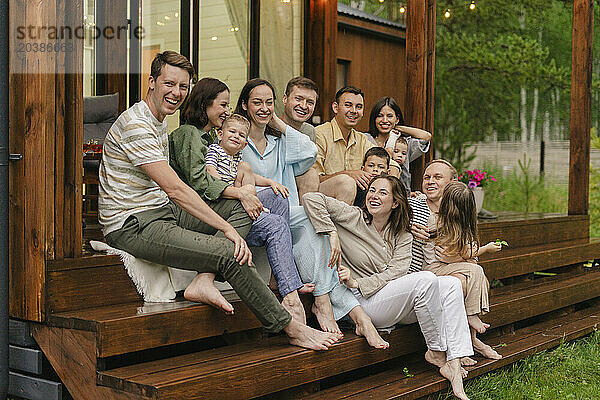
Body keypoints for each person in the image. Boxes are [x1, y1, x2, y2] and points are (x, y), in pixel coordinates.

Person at [99, 52, 340, 351]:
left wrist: (240, 200)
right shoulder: (136, 124)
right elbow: (176, 189)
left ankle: (204, 278)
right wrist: (225, 228)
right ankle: (291, 327)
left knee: (251, 206)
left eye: (183, 86)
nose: (176, 93)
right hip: (131, 223)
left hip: (163, 211)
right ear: (151, 82)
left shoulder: (159, 120)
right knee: (230, 252)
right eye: (169, 84)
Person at [237, 78, 389, 349]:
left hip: (286, 210)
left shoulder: (278, 140)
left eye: (268, 103)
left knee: (313, 223)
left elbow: (308, 151)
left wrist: (277, 123)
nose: (263, 109)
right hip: (253, 212)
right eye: (257, 103)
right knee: (313, 224)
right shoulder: (236, 138)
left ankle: (325, 301)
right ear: (245, 105)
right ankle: (344, 309)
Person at [302, 175, 473, 400]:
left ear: (395, 203)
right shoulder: (353, 216)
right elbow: (310, 197)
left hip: (392, 300)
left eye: (383, 192)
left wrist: (360, 281)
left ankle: (454, 359)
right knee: (425, 279)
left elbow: (395, 273)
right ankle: (436, 351)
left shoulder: (402, 235)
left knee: (450, 284)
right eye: (372, 190)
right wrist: (331, 232)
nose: (374, 196)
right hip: (364, 303)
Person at [201, 111, 314, 323]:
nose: (235, 136)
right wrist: (237, 193)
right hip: (222, 204)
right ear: (220, 134)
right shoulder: (215, 151)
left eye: (241, 135)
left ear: (245, 144)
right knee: (277, 223)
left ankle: (277, 277)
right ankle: (290, 290)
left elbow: (251, 177)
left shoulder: (238, 159)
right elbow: (211, 176)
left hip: (238, 198)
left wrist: (271, 183)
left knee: (278, 196)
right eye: (231, 132)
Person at [422, 181, 503, 362]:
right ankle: (471, 319)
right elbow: (462, 255)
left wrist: (465, 257)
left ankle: (471, 340)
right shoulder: (437, 221)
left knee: (478, 277)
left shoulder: (462, 225)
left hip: (450, 267)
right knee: (475, 271)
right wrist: (486, 249)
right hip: (435, 270)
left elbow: (463, 255)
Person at [368, 96, 431, 190]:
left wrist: (398, 127)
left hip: (399, 195)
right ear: (374, 119)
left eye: (389, 116)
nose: (384, 120)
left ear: (397, 119)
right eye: (380, 116)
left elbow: (426, 137)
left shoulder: (403, 143)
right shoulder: (366, 139)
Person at [280, 76, 321, 201]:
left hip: (301, 184)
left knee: (345, 183)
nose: (303, 106)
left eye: (310, 102)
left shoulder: (309, 131)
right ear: (285, 99)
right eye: (298, 99)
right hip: (274, 184)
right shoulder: (270, 127)